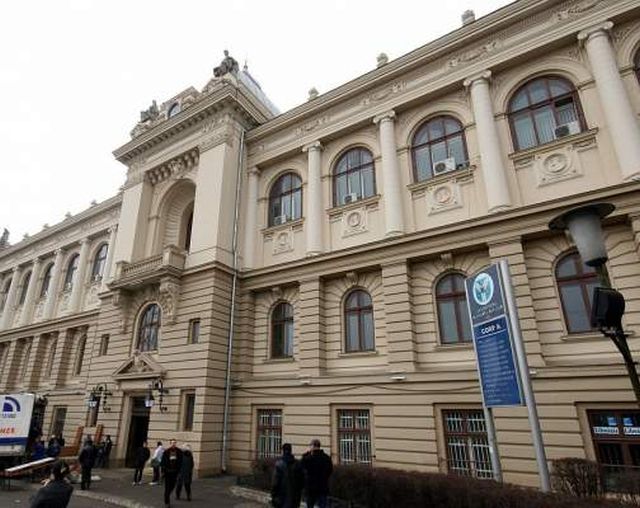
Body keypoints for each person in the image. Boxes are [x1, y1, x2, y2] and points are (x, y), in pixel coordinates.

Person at [301, 439, 333, 508]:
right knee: (322, 505)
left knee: (310, 505)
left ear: (312, 446)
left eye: (310, 445)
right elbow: (330, 470)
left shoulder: (307, 458)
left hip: (310, 487)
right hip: (322, 487)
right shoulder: (326, 458)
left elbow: (302, 468)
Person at [271, 443, 303, 508]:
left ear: (283, 451)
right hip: (294, 497)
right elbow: (302, 481)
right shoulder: (297, 464)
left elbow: (275, 482)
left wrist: (273, 495)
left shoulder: (279, 464)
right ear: (290, 450)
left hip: (281, 497)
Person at [160, 439, 183, 508]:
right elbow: (163, 462)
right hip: (168, 472)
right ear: (170, 444)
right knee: (167, 487)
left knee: (173, 485)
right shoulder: (166, 452)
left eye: (174, 443)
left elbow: (181, 461)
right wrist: (163, 472)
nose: (173, 444)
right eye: (172, 443)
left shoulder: (179, 451)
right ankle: (167, 502)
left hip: (175, 472)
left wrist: (179, 471)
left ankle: (167, 495)